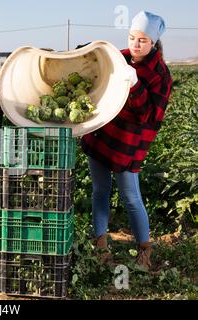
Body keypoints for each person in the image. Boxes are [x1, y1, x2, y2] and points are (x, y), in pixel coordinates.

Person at [80, 11, 173, 270]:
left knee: (131, 197)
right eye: (132, 37)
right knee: (100, 192)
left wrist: (135, 85)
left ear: (153, 43)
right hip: (102, 134)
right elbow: (96, 69)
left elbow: (150, 115)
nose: (135, 44)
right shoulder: (118, 58)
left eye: (142, 40)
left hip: (127, 144)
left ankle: (145, 251)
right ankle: (100, 245)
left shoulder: (160, 75)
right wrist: (81, 55)